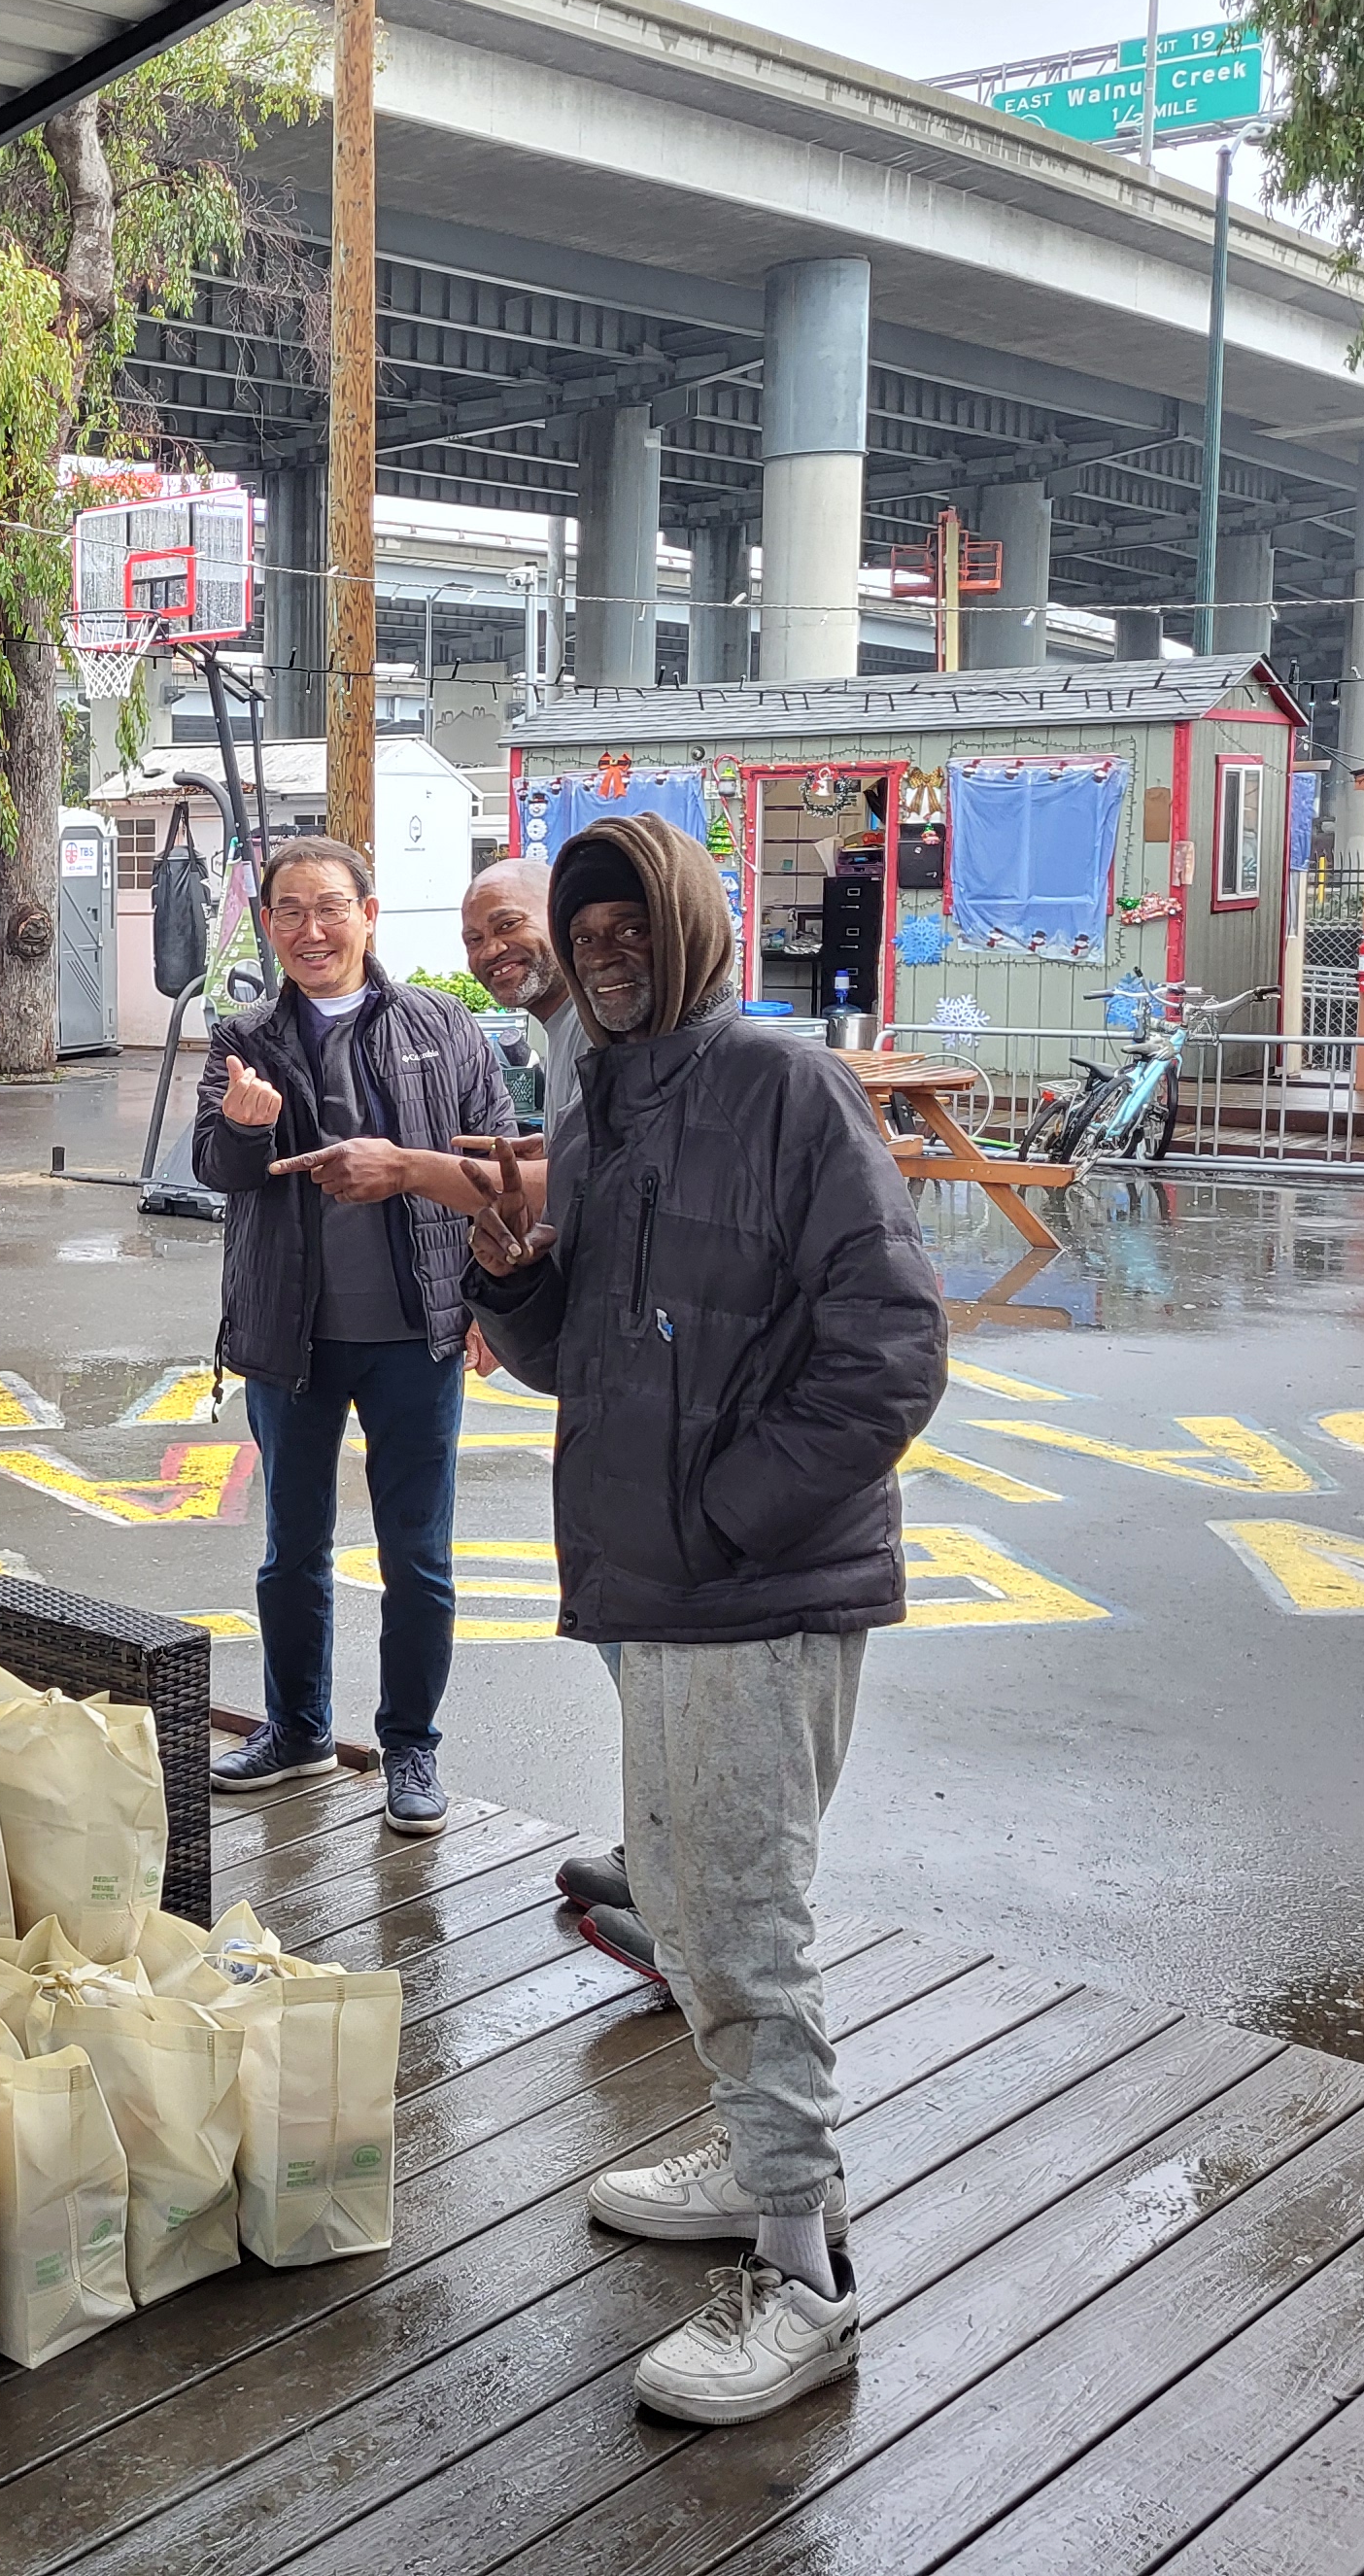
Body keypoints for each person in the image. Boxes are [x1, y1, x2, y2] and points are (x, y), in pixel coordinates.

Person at [456, 810, 946, 2426]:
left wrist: (730, 1515)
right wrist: (519, 1289)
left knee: (740, 1924)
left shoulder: (787, 1090)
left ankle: (806, 2273)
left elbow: (891, 1345)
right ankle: (754, 2165)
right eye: (581, 934)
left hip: (757, 1592)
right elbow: (577, 1365)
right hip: (650, 1594)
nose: (603, 955)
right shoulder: (596, 1108)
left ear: (688, 933)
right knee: (684, 1895)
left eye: (628, 930)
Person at [190, 835, 509, 1835]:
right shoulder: (240, 1034)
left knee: (416, 1554)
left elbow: (498, 1169)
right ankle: (296, 1731)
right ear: (269, 925)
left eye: (329, 907)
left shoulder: (440, 1026)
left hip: (418, 1330)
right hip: (290, 1339)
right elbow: (213, 1171)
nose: (310, 930)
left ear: (369, 915)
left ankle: (410, 1746)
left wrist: (495, 1302)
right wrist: (242, 1126)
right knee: (292, 1549)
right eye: (287, 910)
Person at [460, 853, 658, 1985]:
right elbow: (558, 1174)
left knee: (663, 1651)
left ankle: (690, 1911)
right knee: (624, 1633)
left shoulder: (636, 1040)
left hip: (658, 1381)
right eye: (479, 935)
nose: (496, 951)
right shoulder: (567, 1039)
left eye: (509, 926)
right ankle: (658, 1858)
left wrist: (403, 1172)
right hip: (601, 1374)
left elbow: (567, 1185)